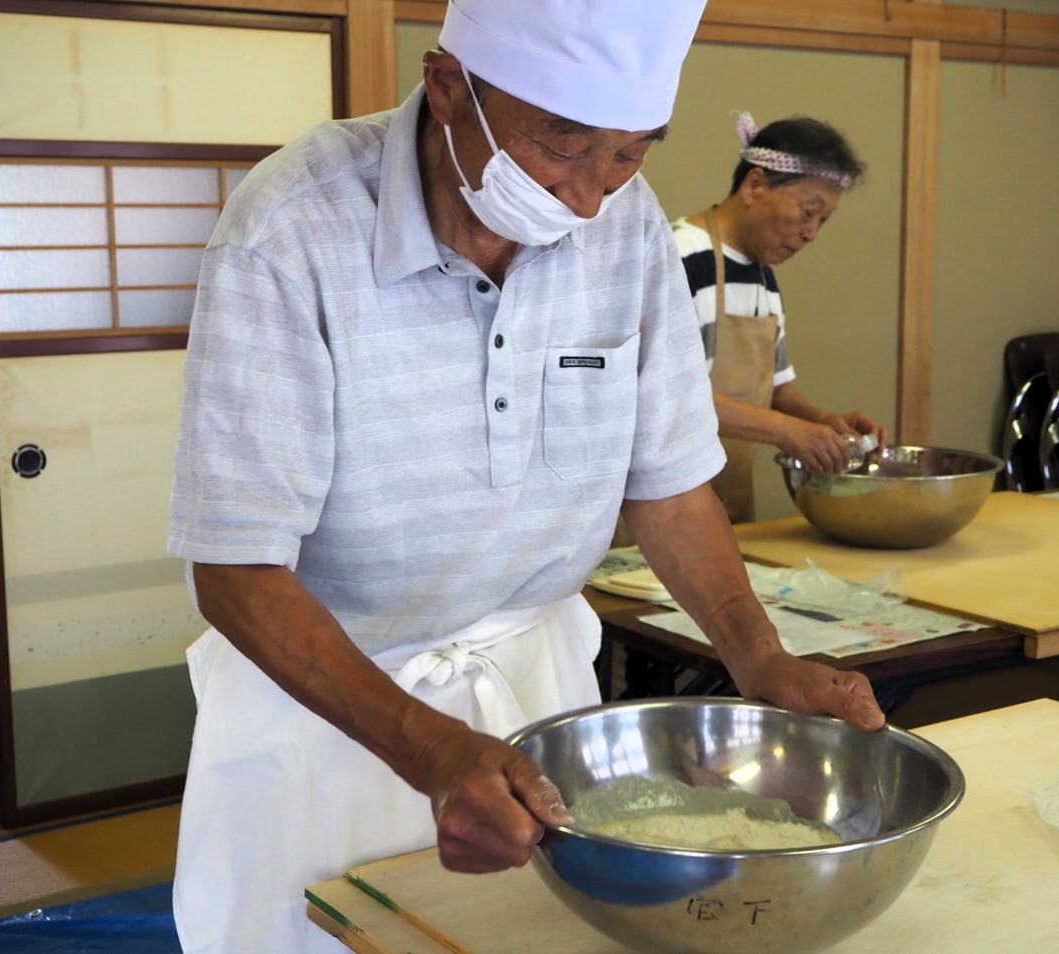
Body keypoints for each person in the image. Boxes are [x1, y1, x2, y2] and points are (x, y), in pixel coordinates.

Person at [168, 2, 886, 950]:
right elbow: (236, 568)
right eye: (560, 145)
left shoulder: (625, 231)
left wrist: (759, 658)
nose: (590, 197)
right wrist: (427, 748)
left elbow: (667, 484)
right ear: (447, 86)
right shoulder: (292, 227)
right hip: (328, 710)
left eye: (629, 154)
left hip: (534, 696)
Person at [673, 113, 888, 523]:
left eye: (823, 221)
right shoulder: (680, 256)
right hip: (659, 509)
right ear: (755, 184)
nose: (812, 233)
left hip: (723, 505)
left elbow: (776, 393)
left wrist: (825, 423)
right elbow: (668, 397)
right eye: (808, 212)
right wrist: (785, 432)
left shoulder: (762, 277)